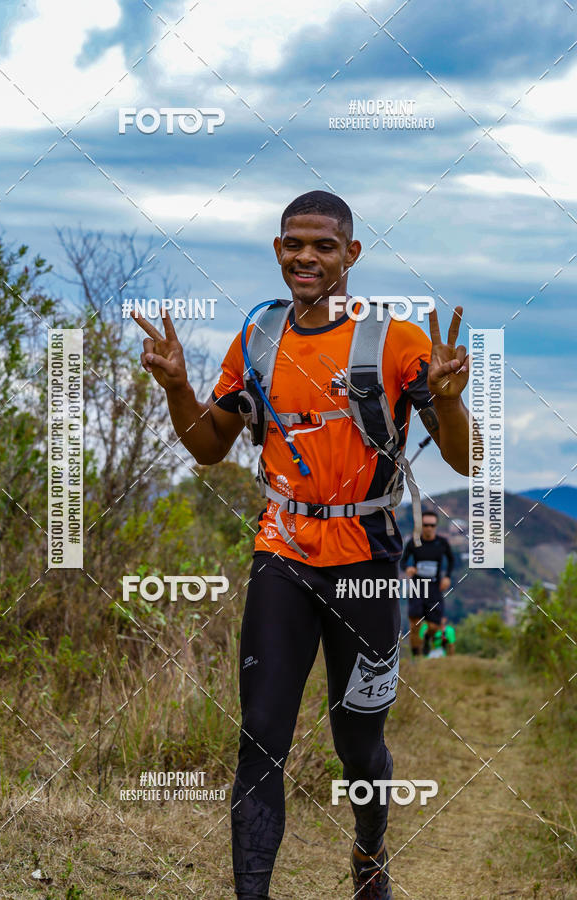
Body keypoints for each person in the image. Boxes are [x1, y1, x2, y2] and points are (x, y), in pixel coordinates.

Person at [133, 190, 472, 899]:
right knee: (259, 737)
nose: (305, 257)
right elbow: (206, 446)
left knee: (359, 745)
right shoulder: (258, 338)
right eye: (293, 243)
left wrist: (444, 398)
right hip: (282, 554)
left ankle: (369, 858)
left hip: (370, 562)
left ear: (351, 254)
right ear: (277, 249)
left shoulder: (396, 341)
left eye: (323, 245)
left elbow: (467, 462)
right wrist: (178, 388)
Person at [401, 510, 454, 657]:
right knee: (415, 623)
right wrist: (408, 568)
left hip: (434, 588)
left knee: (435, 625)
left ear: (436, 526)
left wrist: (447, 577)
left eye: (432, 525)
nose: (429, 528)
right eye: (425, 525)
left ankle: (427, 638)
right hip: (417, 587)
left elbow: (451, 560)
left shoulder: (442, 543)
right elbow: (403, 561)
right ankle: (416, 657)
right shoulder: (414, 542)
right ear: (420, 526)